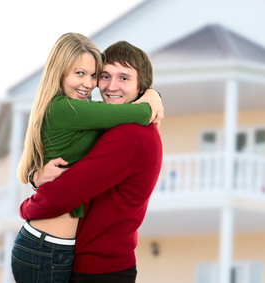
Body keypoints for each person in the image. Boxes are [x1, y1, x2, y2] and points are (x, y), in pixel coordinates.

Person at [12, 34, 163, 283]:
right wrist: (152, 96)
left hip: (89, 262)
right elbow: (137, 111)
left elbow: (63, 194)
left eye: (124, 78)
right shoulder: (75, 110)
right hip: (50, 248)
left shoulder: (127, 135)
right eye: (104, 76)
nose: (106, 85)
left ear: (140, 86)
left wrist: (27, 207)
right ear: (59, 73)